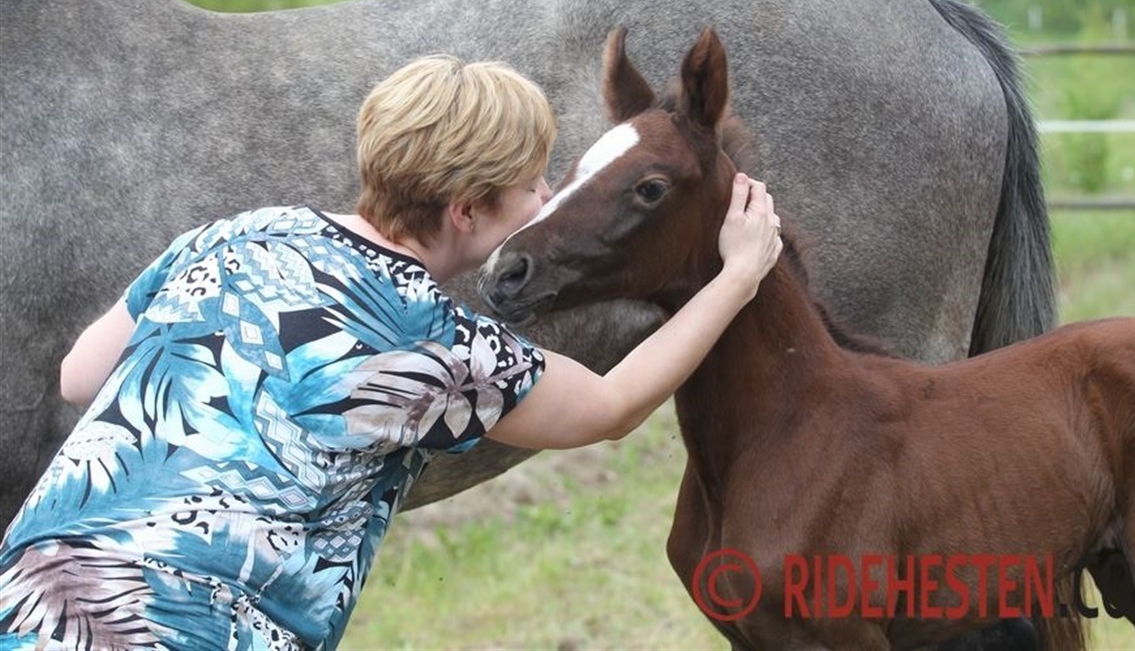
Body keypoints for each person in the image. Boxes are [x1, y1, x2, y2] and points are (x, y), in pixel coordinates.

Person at [0, 55, 782, 650]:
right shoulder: (429, 340)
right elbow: (610, 407)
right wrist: (739, 275)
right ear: (467, 209)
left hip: (34, 600)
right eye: (531, 183)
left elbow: (78, 375)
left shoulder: (238, 232)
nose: (546, 198)